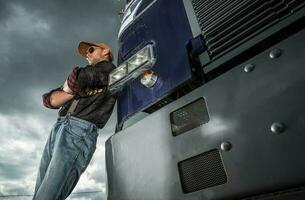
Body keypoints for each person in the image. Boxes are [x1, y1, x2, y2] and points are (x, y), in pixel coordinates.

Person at [32, 41, 117, 200]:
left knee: (48, 195)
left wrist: (69, 90)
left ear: (105, 51)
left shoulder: (109, 70)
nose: (87, 55)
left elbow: (78, 77)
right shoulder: (91, 73)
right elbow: (49, 100)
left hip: (79, 130)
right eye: (86, 53)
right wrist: (72, 91)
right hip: (60, 127)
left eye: (91, 50)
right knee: (40, 193)